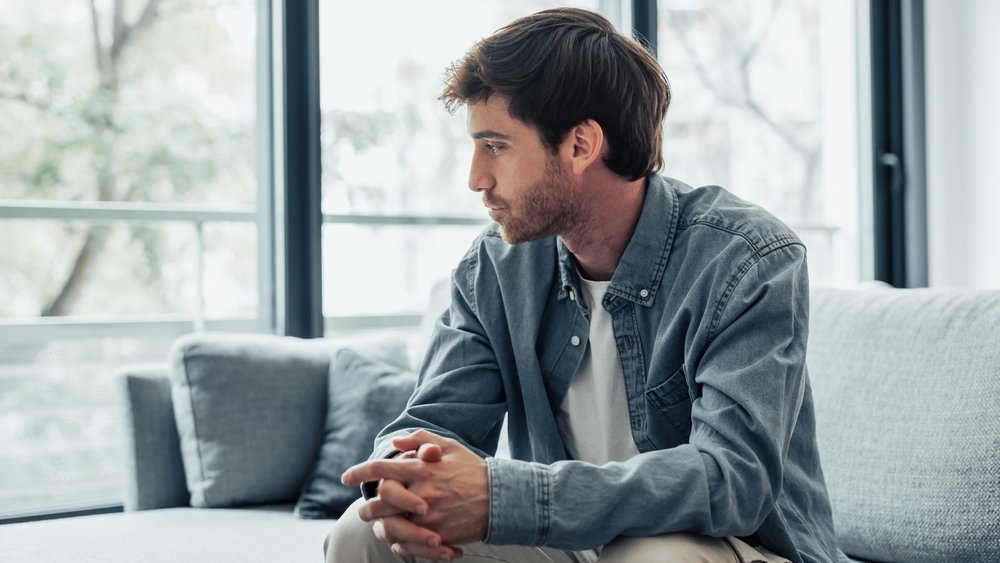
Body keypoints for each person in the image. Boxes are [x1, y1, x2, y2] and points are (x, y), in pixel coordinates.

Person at [326, 7, 841, 563]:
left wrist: (508, 496)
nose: (475, 177)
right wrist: (403, 482)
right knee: (364, 530)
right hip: (567, 542)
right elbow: (430, 424)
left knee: (653, 557)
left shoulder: (747, 260)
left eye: (496, 145)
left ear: (580, 145)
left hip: (724, 545)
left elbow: (731, 480)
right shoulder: (497, 268)